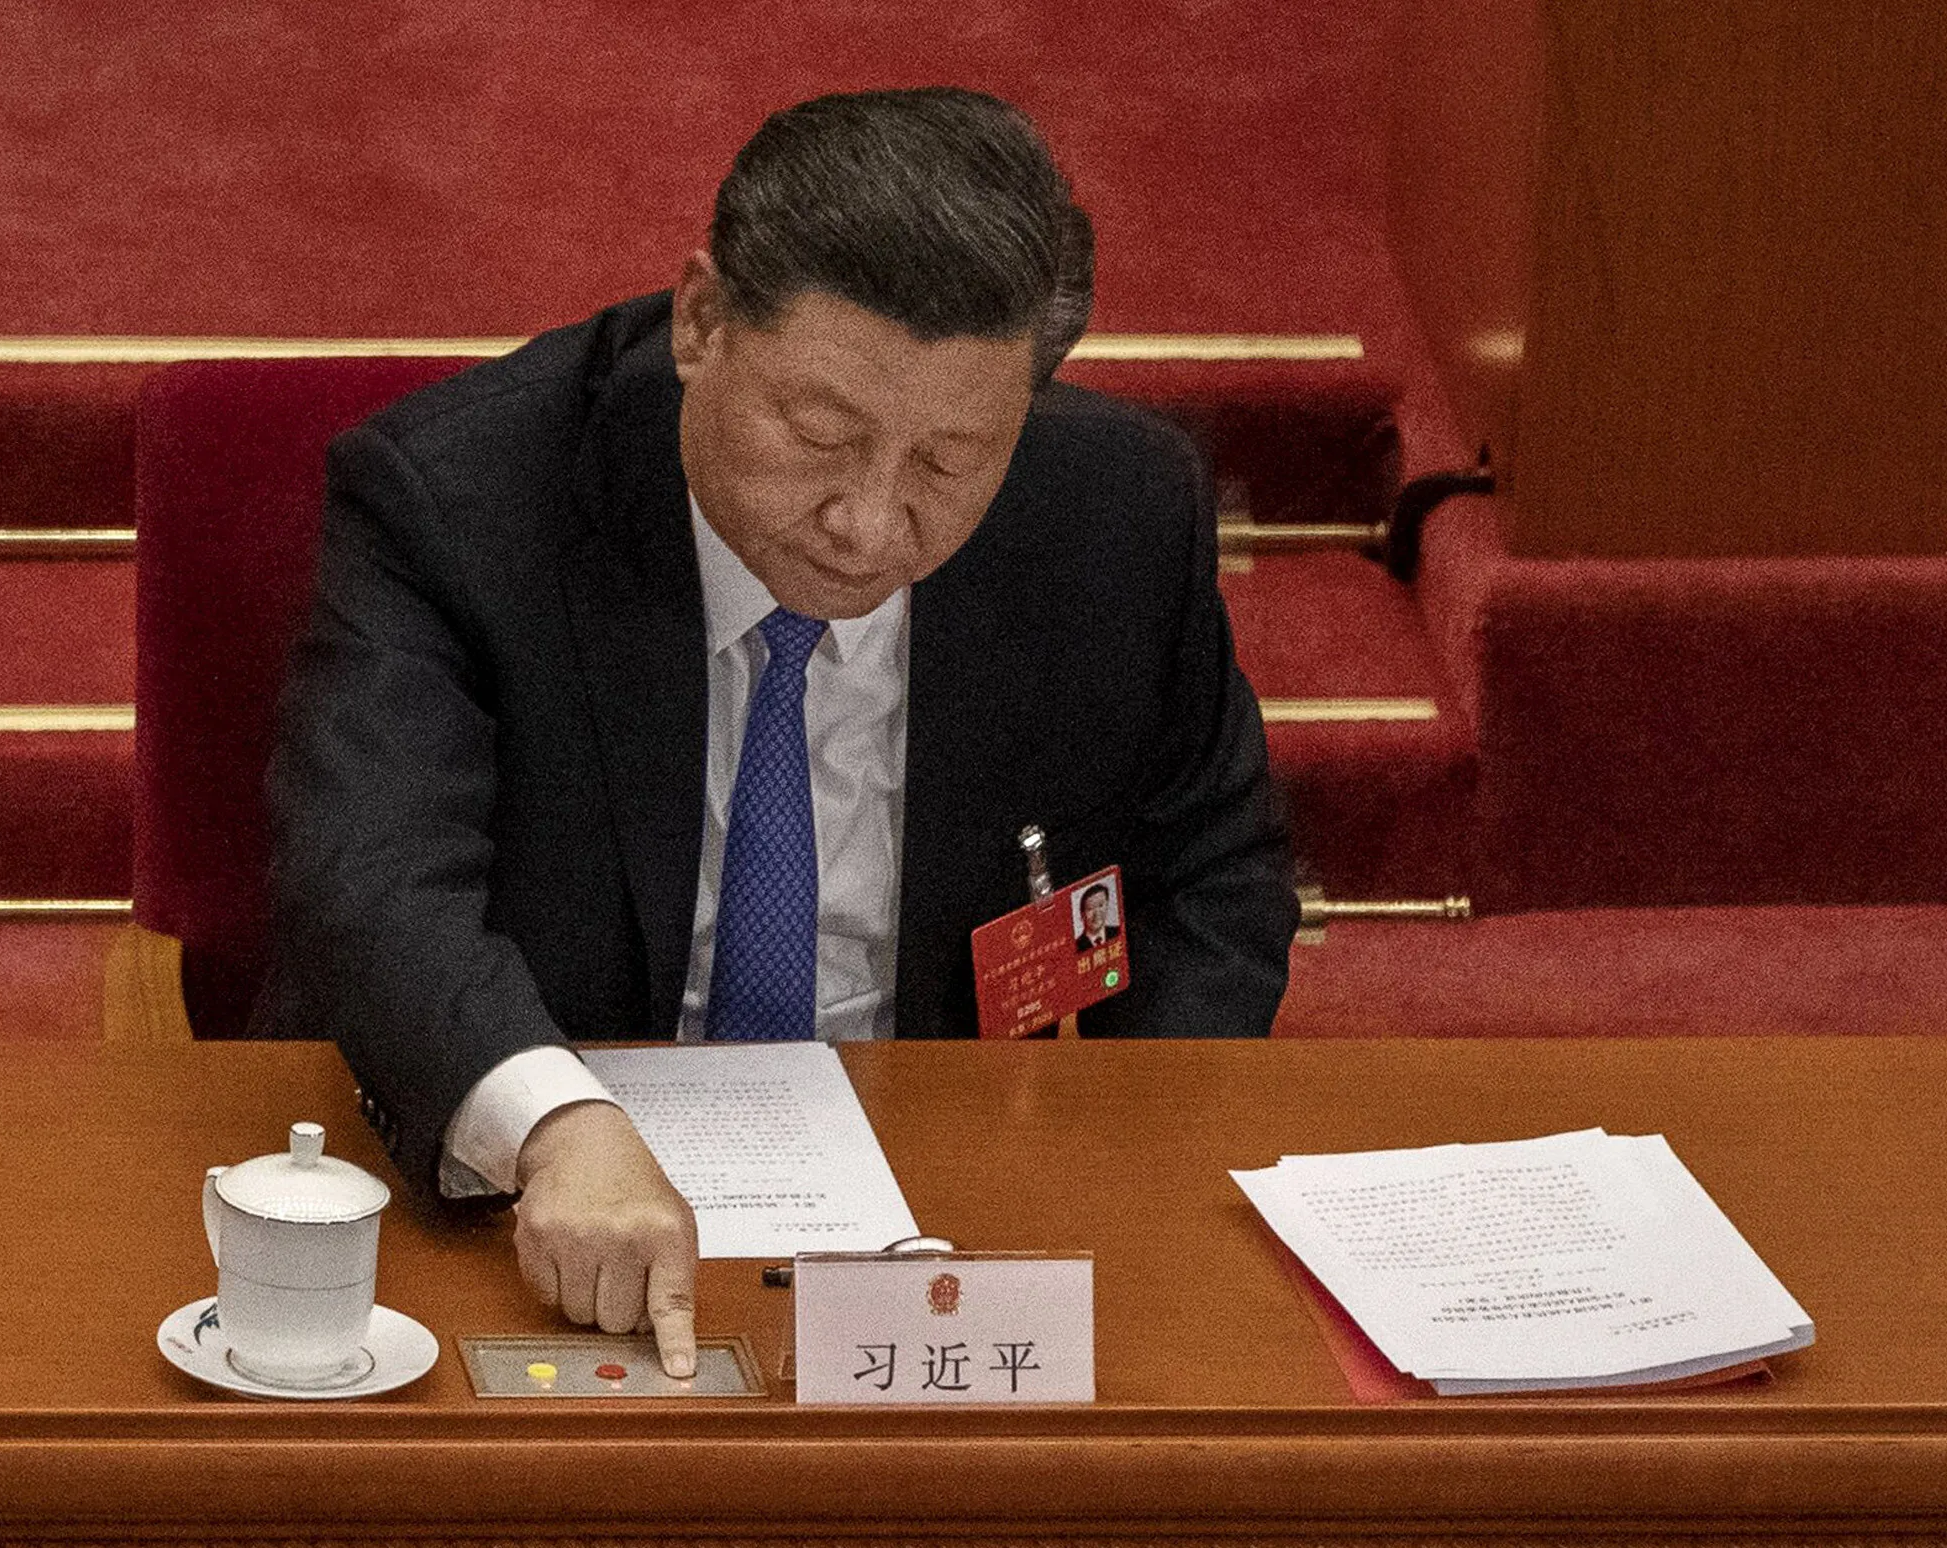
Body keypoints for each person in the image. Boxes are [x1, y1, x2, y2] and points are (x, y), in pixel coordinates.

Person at [257, 87, 1301, 1381]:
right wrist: (553, 1120)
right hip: (530, 1186)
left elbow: (1216, 875)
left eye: (947, 463)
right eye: (820, 437)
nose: (868, 524)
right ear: (701, 320)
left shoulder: (1116, 514)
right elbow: (370, 881)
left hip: (936, 1198)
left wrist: (1107, 1163)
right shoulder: (462, 500)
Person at [1075, 883, 1121, 952]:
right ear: (1082, 915)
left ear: (1107, 905)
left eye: (1101, 905)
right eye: (1090, 909)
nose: (1097, 913)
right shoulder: (1076, 947)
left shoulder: (1118, 931)